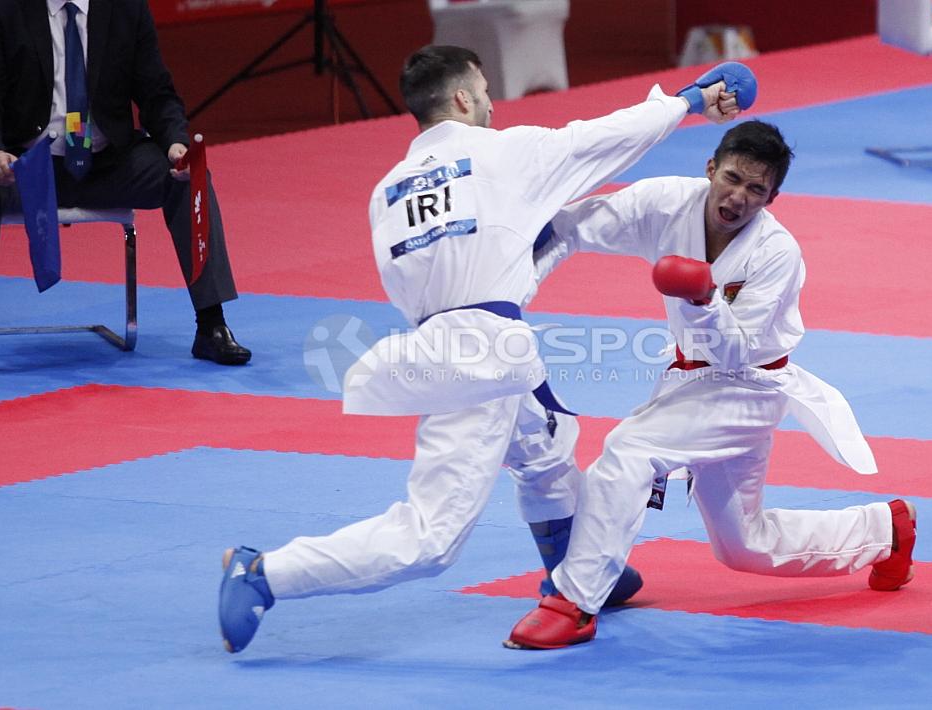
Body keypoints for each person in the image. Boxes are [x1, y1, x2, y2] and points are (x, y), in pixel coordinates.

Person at [217, 45, 754, 653]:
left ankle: (571, 570)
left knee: (546, 444)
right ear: (464, 98)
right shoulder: (504, 153)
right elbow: (605, 138)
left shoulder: (387, 191)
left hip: (438, 343)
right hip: (480, 357)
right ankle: (263, 574)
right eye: (486, 92)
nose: (494, 104)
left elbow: (423, 277)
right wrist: (689, 100)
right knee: (429, 540)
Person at [506, 120, 917, 649]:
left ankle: (575, 601)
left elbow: (736, 350)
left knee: (628, 451)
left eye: (756, 190)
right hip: (691, 380)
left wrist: (703, 302)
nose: (739, 197)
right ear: (710, 169)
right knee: (745, 545)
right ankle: (885, 531)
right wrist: (512, 283)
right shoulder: (664, 202)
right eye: (733, 178)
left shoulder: (776, 253)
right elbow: (574, 226)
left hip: (747, 387)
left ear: (773, 197)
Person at [0, 0, 250, 378]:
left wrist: (175, 143)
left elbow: (158, 92)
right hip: (28, 162)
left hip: (107, 162)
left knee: (189, 178)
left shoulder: (125, 7)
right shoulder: (2, 7)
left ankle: (211, 323)